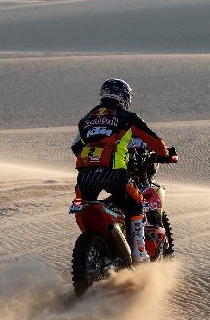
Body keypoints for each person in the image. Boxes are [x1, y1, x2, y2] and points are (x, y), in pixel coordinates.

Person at [71, 78, 176, 263]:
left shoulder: (86, 119)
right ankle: (138, 253)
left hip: (84, 177)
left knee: (85, 204)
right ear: (124, 97)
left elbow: (75, 147)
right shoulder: (126, 117)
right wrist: (165, 154)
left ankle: (102, 247)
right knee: (137, 201)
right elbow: (156, 143)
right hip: (114, 174)